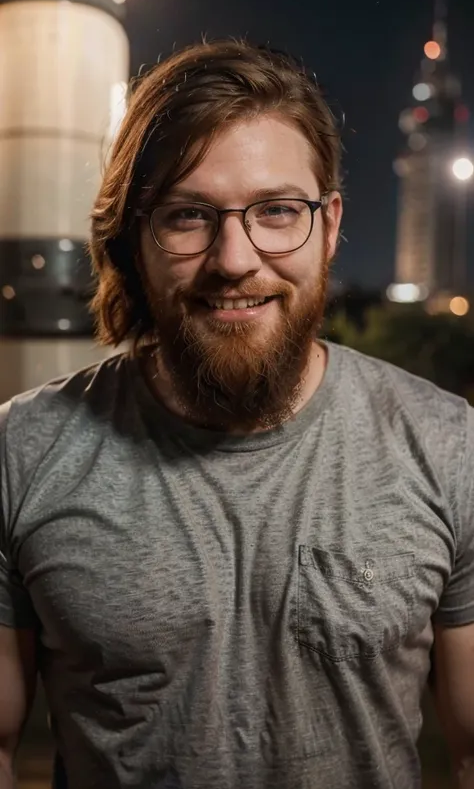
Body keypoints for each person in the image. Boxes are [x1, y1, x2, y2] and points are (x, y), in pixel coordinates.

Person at [0, 38, 473, 789]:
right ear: (134, 235)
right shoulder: (22, 450)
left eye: (278, 210)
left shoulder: (449, 446)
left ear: (327, 225)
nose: (234, 257)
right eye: (189, 215)